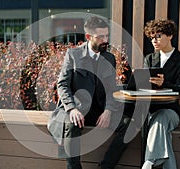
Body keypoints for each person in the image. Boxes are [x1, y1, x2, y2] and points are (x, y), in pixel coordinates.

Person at [47, 16, 124, 169]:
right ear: (88, 37)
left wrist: (109, 110)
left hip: (99, 110)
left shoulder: (109, 58)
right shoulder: (73, 55)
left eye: (107, 36)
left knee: (129, 125)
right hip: (77, 108)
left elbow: (111, 88)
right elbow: (62, 85)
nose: (105, 40)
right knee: (71, 124)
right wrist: (71, 108)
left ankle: (106, 166)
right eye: (101, 37)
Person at [141, 19, 180, 169]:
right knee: (162, 131)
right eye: (151, 37)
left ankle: (149, 162)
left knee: (161, 118)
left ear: (169, 36)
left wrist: (165, 83)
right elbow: (144, 87)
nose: (154, 40)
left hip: (171, 111)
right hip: (150, 110)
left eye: (158, 36)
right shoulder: (149, 59)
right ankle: (152, 164)